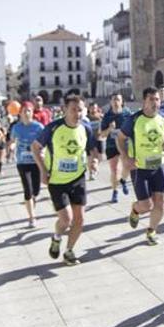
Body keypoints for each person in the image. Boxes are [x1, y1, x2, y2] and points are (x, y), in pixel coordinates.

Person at [31, 94, 94, 266]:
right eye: (73, 110)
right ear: (64, 110)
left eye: (80, 110)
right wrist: (43, 171)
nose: (77, 114)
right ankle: (57, 237)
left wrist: (93, 160)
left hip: (78, 178)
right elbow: (35, 148)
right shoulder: (53, 128)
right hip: (57, 181)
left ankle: (69, 251)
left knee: (80, 219)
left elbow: (91, 149)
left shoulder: (86, 128)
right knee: (66, 219)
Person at [119, 87, 164, 245]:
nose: (155, 103)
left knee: (160, 202)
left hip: (159, 166)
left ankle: (151, 231)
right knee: (146, 205)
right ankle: (135, 209)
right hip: (140, 168)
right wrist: (126, 158)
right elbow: (120, 138)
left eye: (158, 99)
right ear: (144, 102)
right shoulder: (134, 120)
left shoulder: (163, 119)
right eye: (152, 99)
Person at [10, 101, 45, 228]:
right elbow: (12, 140)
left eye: (28, 110)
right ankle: (32, 217)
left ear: (32, 112)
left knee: (36, 190)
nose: (26, 113)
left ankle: (33, 199)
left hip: (36, 161)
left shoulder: (38, 127)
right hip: (22, 162)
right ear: (20, 113)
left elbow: (44, 142)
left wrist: (43, 151)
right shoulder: (16, 127)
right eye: (24, 111)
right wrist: (12, 146)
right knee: (28, 189)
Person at [99, 93, 132, 203]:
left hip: (125, 144)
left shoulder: (127, 113)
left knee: (127, 166)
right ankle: (115, 192)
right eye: (114, 100)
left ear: (122, 101)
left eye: (118, 99)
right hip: (111, 145)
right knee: (114, 169)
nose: (116, 102)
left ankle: (123, 181)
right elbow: (102, 135)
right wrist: (109, 129)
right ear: (110, 102)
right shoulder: (107, 116)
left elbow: (134, 128)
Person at [86, 102, 105, 181]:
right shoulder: (86, 118)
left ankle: (94, 165)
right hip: (89, 139)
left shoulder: (101, 117)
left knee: (100, 158)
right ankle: (91, 173)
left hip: (99, 139)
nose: (93, 109)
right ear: (89, 109)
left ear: (97, 108)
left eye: (95, 108)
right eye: (92, 108)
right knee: (91, 157)